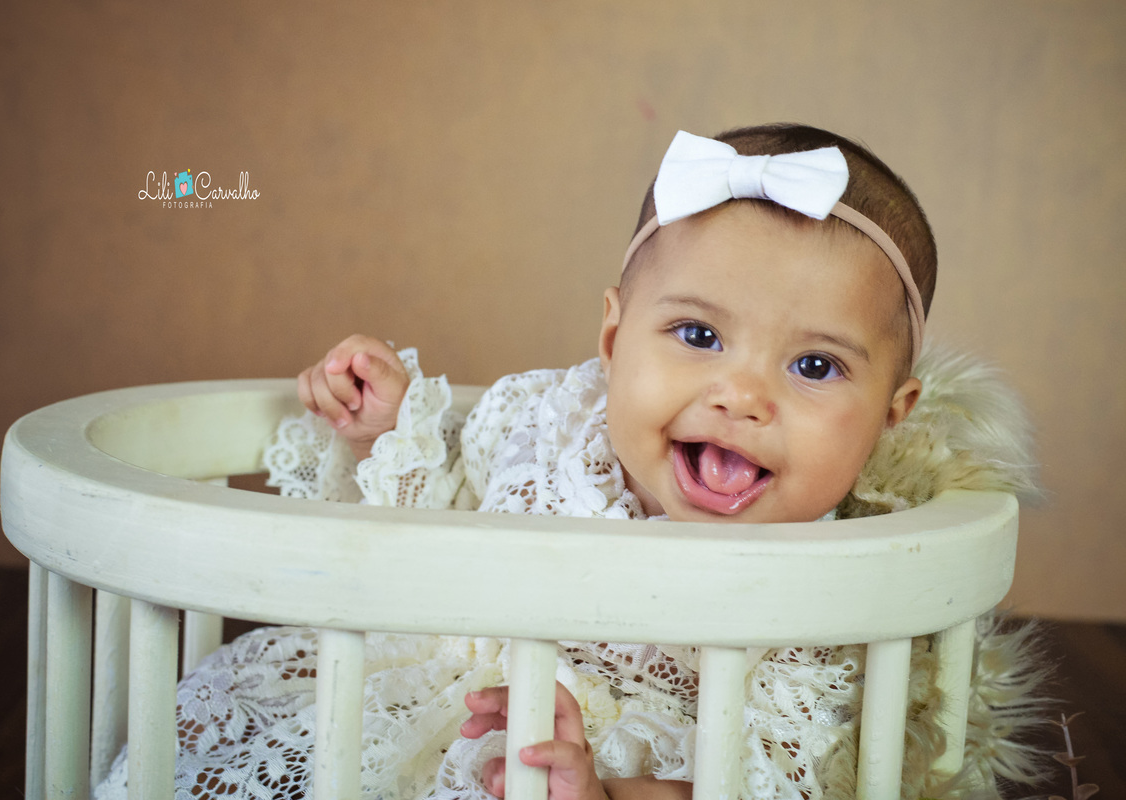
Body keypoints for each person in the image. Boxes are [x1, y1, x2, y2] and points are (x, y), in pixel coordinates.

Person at [96, 125, 1046, 800]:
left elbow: (769, 775)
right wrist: (384, 426)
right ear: (612, 334)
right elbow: (439, 505)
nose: (742, 396)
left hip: (590, 760)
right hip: (427, 688)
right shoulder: (547, 418)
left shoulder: (841, 586)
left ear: (891, 415)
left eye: (813, 365)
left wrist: (599, 788)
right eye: (697, 333)